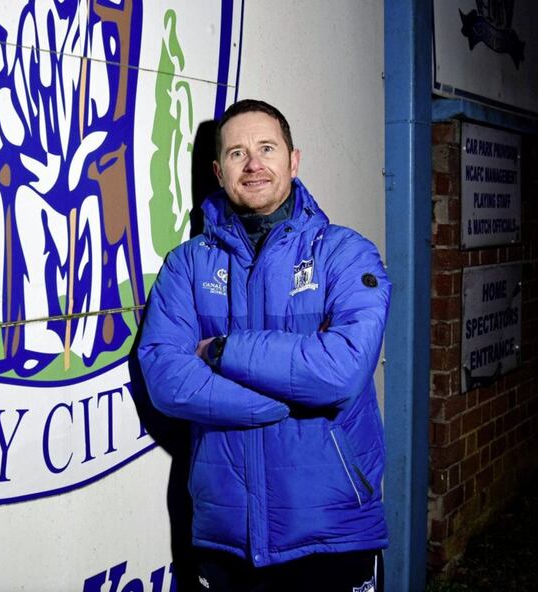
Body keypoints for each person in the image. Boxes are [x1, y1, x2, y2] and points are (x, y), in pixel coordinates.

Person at [137, 99, 390, 591]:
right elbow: (166, 377)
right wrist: (293, 395)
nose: (253, 164)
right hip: (224, 536)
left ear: (293, 161)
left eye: (267, 148)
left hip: (333, 534)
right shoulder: (188, 265)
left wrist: (220, 350)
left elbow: (341, 372)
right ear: (218, 170)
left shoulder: (344, 251)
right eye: (237, 153)